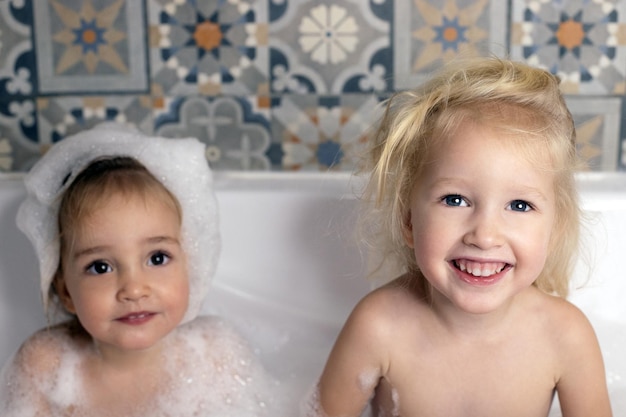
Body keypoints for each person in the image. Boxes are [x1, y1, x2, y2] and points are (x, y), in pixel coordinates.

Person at [305, 58, 612, 417]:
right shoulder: (379, 327)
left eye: (519, 205)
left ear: (554, 231)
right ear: (408, 220)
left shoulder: (565, 336)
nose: (484, 235)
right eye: (455, 200)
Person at [0, 124, 279, 416]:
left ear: (191, 264)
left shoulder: (216, 357)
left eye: (157, 258)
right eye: (100, 266)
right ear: (66, 291)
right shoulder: (45, 366)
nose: (133, 289)